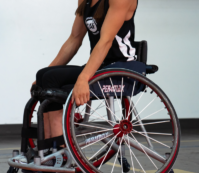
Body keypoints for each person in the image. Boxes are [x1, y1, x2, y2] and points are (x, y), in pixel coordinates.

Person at [34, 0, 138, 143]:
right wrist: (46, 72)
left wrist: (83, 78)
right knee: (44, 76)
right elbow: (74, 39)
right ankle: (47, 148)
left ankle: (59, 149)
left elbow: (106, 41)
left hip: (120, 68)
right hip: (100, 67)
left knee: (51, 79)